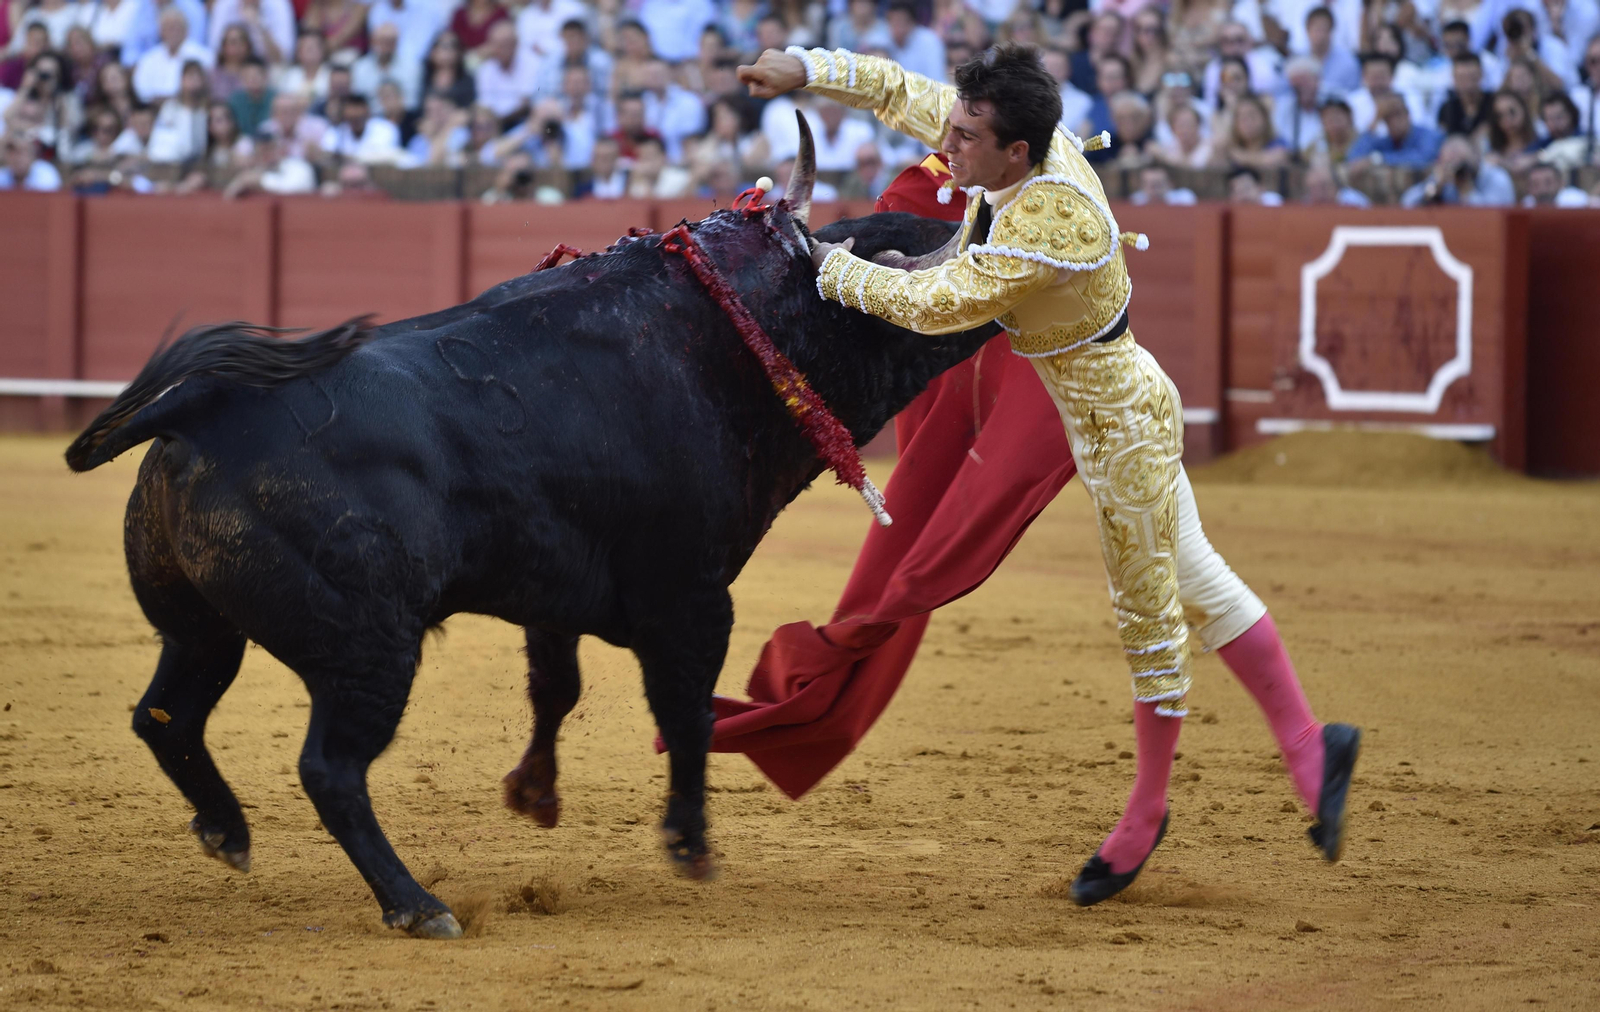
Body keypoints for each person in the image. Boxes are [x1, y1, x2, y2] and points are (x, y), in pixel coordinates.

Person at [738, 41, 1361, 904]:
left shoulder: (1048, 224)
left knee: (1150, 624)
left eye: (965, 137)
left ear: (1015, 152)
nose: (946, 150)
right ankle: (1307, 743)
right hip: (1120, 406)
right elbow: (899, 90)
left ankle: (1146, 814)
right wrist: (804, 69)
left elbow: (934, 305)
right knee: (1200, 581)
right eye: (952, 129)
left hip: (1117, 435)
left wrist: (827, 264)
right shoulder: (1020, 151)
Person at [1401, 132, 1517, 205]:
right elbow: (1407, 203)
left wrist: (1467, 192)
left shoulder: (1496, 177)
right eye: (1450, 162)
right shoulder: (1444, 178)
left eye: (1461, 162)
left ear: (1475, 155)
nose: (1456, 168)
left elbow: (1496, 218)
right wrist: (1435, 188)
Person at [132, 8, 213, 104]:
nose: (173, 32)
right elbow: (141, 89)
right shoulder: (148, 59)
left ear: (186, 30)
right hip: (154, 109)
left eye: (176, 27)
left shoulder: (203, 56)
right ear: (160, 32)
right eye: (168, 28)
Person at [1347, 92, 1444, 168]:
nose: (1394, 121)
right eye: (1388, 117)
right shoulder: (1387, 142)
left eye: (1398, 114)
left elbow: (1423, 158)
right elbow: (1354, 158)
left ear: (1407, 114)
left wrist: (1379, 159)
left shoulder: (1428, 135)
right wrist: (1375, 120)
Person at [1521, 160, 1590, 204]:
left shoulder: (1576, 201)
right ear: (1528, 187)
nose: (1543, 189)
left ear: (1560, 183)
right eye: (1535, 184)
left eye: (1548, 183)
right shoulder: (1526, 204)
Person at [1128, 162, 1197, 204]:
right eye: (1149, 185)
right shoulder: (1135, 201)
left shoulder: (1184, 199)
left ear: (1170, 184)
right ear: (1141, 186)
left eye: (1158, 185)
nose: (1154, 191)